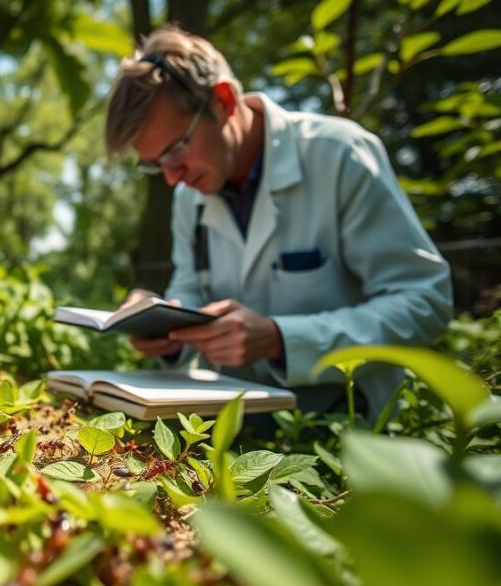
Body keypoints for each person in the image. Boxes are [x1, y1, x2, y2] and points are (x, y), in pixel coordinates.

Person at [104, 24, 453, 419]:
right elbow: (190, 287)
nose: (171, 177)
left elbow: (425, 302)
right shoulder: (190, 197)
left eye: (176, 149)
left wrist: (281, 340)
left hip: (347, 426)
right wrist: (163, 320)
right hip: (231, 427)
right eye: (155, 165)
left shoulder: (339, 156)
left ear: (223, 101)